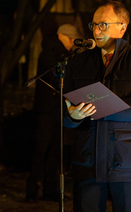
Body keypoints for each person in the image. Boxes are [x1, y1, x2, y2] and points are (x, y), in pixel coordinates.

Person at [63, 0, 131, 212]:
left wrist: (107, 107)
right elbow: (61, 108)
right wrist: (71, 115)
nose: (96, 30)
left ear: (122, 26)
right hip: (87, 161)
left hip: (126, 160)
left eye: (103, 24)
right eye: (93, 25)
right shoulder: (78, 62)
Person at [25, 24, 81, 203]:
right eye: (70, 39)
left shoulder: (65, 54)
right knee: (41, 150)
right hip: (47, 110)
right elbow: (56, 78)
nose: (72, 43)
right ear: (61, 36)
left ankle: (50, 188)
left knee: (56, 151)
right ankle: (32, 189)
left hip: (59, 109)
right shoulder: (50, 53)